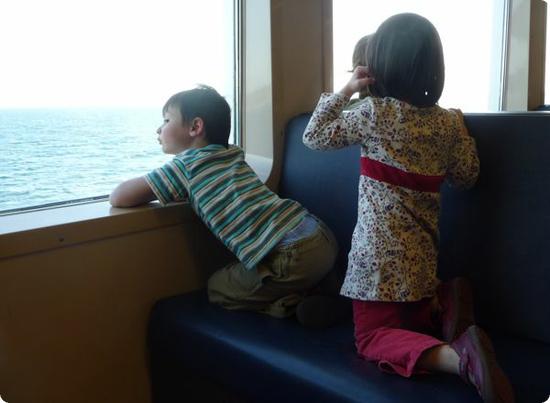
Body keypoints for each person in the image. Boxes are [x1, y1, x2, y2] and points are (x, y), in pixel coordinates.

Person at [303, 13, 514, 403]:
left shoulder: (374, 114)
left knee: (369, 339)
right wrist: (462, 131)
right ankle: (441, 302)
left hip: (376, 263)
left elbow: (314, 137)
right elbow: (467, 177)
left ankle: (458, 358)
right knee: (410, 318)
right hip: (421, 262)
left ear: (378, 67)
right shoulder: (448, 125)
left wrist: (346, 90)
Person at [110, 85, 338, 321]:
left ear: (195, 127)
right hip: (320, 236)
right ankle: (323, 290)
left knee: (218, 289)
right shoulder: (232, 154)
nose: (159, 129)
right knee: (304, 267)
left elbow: (120, 197)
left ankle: (290, 303)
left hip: (292, 255)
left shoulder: (185, 166)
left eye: (166, 120)